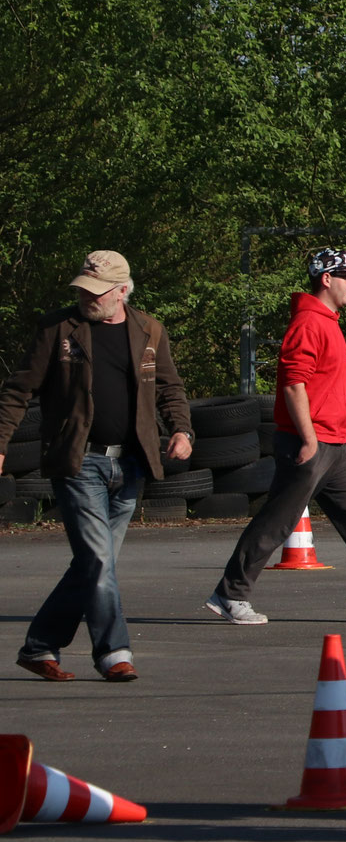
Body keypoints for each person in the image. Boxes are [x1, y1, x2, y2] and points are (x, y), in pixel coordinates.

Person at [203, 249, 346, 625]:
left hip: (339, 443)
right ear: (326, 279)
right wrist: (309, 439)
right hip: (311, 442)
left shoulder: (328, 320)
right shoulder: (308, 323)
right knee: (278, 520)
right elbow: (293, 385)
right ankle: (229, 595)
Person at [0, 251, 193, 682]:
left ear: (122, 291)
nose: (86, 298)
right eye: (82, 290)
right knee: (99, 562)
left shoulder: (149, 329)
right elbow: (17, 391)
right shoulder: (57, 329)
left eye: (96, 292)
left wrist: (182, 430)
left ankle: (39, 646)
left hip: (130, 464)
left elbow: (169, 386)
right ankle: (113, 652)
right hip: (78, 461)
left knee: (93, 564)